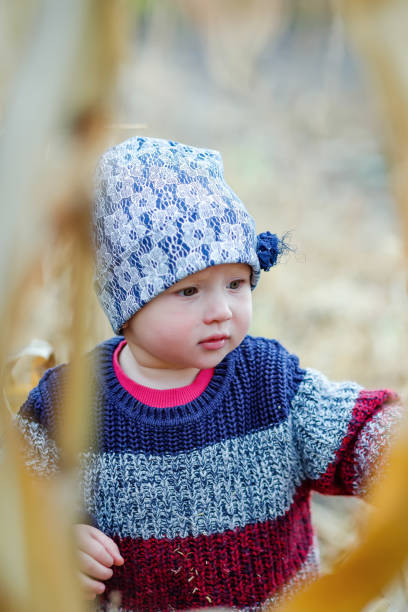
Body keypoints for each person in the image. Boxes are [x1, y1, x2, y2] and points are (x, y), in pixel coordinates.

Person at [17, 136, 402, 611]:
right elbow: (17, 493)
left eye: (236, 283)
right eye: (189, 291)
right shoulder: (70, 402)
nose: (221, 310)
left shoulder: (268, 381)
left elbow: (356, 431)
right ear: (127, 305)